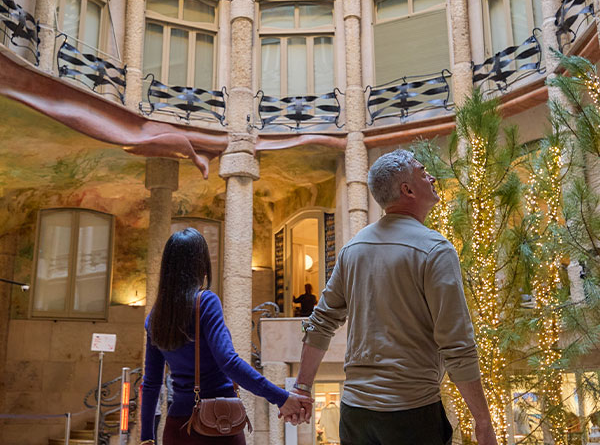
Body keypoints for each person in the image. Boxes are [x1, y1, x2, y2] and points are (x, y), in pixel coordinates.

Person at [286, 149, 498, 445]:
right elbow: (457, 343)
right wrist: (483, 422)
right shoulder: (436, 250)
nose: (432, 177)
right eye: (423, 172)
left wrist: (302, 387)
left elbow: (320, 321)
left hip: (356, 415)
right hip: (412, 413)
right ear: (407, 189)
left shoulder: (353, 249)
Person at [140, 228, 312, 445]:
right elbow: (228, 362)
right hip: (218, 424)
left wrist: (146, 437)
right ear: (200, 264)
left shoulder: (155, 317)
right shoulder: (205, 302)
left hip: (177, 428)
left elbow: (152, 383)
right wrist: (280, 397)